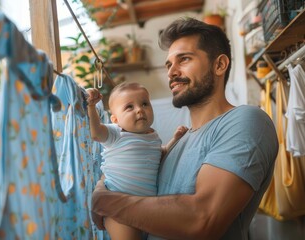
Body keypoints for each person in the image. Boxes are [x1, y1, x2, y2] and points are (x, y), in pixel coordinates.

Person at [91, 18, 279, 240]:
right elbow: (130, 169)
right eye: (169, 64)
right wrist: (104, 184)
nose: (171, 72)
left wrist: (103, 201)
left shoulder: (246, 120)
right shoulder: (180, 140)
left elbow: (202, 219)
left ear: (219, 65)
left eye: (184, 59)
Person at [86, 82, 187, 240]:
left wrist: (176, 139)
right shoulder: (115, 132)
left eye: (145, 103)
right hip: (116, 207)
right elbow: (95, 132)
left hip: (146, 208)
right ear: (115, 119)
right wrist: (91, 106)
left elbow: (161, 154)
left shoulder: (153, 136)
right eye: (129, 107)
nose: (140, 109)